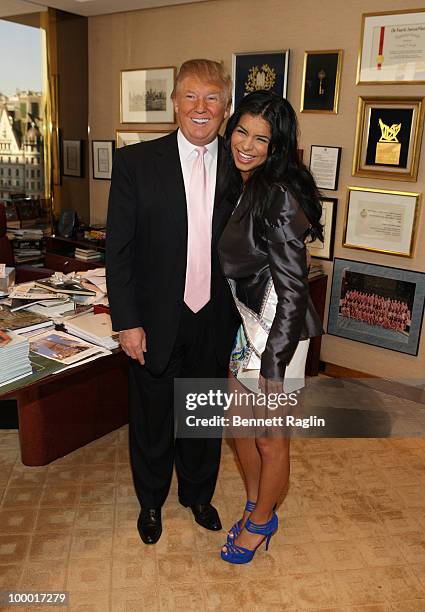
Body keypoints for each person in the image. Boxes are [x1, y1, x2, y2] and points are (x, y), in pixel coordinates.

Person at [106, 59, 240, 545]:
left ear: (226, 107)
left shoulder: (242, 165)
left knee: (203, 412)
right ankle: (151, 502)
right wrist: (127, 322)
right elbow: (117, 252)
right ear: (174, 103)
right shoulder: (136, 163)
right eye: (190, 96)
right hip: (155, 317)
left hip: (216, 317)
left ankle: (199, 495)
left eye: (212, 98)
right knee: (153, 416)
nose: (200, 108)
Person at [218, 90, 323, 564]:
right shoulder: (246, 182)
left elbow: (294, 287)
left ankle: (260, 523)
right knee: (239, 424)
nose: (247, 143)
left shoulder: (277, 194)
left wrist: (275, 364)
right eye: (242, 130)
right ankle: (258, 504)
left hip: (278, 331)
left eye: (262, 138)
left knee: (269, 435)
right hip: (249, 322)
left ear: (277, 146)